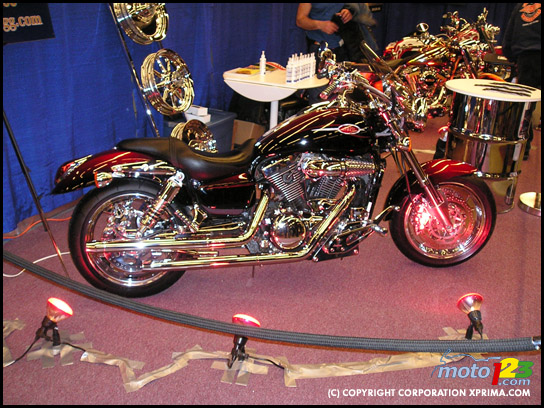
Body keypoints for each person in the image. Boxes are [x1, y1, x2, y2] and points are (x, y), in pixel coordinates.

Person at [502, 3, 541, 160]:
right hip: (529, 54)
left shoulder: (520, 6)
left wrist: (512, 58)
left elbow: (509, 36)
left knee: (525, 106)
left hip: (527, 57)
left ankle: (522, 148)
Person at [296, 3, 356, 104]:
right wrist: (321, 25)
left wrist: (348, 12)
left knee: (345, 97)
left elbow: (357, 8)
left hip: (344, 49)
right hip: (321, 53)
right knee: (320, 98)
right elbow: (300, 20)